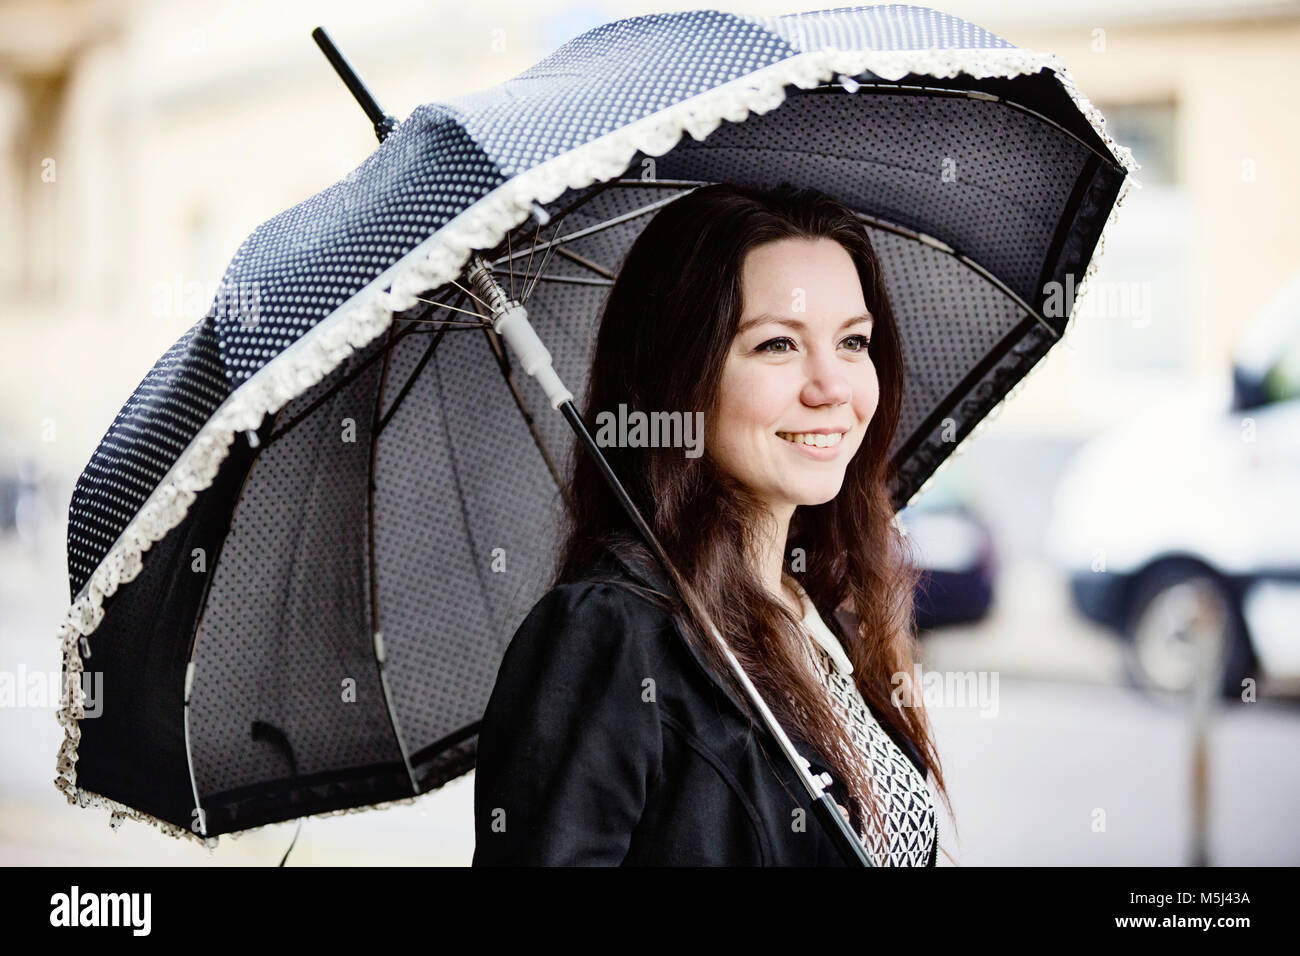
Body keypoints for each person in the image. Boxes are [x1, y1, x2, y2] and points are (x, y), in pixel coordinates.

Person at [472, 181, 953, 866]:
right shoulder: (606, 635)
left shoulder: (822, 616)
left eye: (853, 341)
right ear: (680, 376)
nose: (832, 387)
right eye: (778, 345)